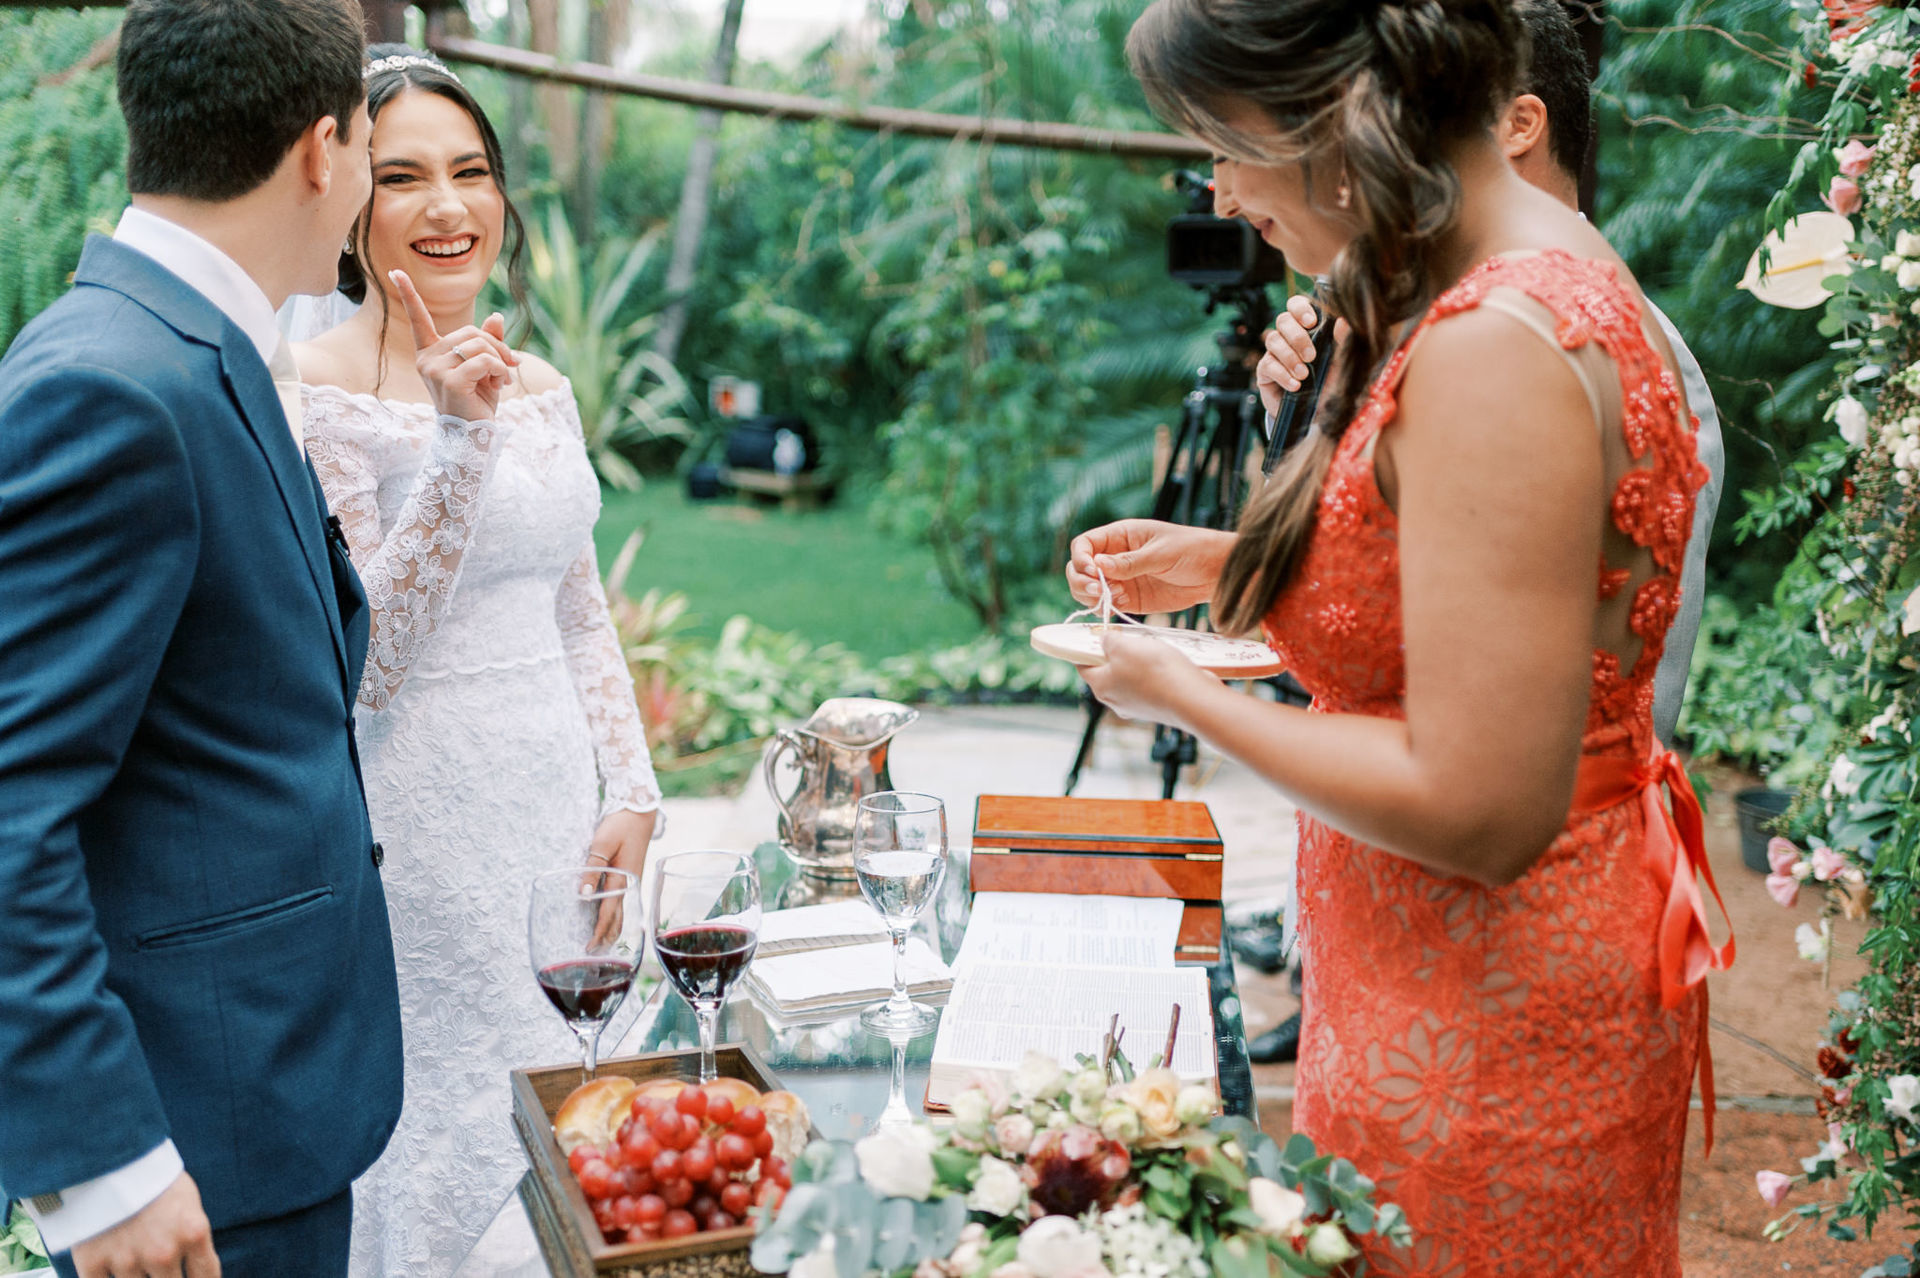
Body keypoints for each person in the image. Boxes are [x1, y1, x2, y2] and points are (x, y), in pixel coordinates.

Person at [1073, 0, 1727, 1270]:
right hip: (1443, 981)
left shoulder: (1495, 341)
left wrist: (1185, 696)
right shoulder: (1534, 278)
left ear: (1343, 106)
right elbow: (1489, 603)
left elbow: (1482, 802)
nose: (1218, 188)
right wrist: (1227, 571)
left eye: (1228, 139)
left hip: (1488, 1015)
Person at [0, 2, 492, 1274]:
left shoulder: (200, 345)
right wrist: (104, 1167)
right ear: (324, 152)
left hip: (265, 1108)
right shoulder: (109, 385)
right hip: (187, 1153)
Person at [1245, 0, 1728, 1068]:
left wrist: (1182, 693)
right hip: (1406, 881)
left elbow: (1613, 695)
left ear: (1513, 122)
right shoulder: (1454, 316)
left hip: (1520, 910)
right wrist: (1316, 400)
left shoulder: (1533, 344)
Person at [291, 45, 665, 1275]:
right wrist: (456, 443)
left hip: (558, 810)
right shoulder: (312, 390)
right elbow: (368, 662)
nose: (449, 208)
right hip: (424, 826)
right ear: (344, 195)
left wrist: (634, 790)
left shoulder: (544, 383)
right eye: (403, 177)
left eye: (473, 172)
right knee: (458, 1120)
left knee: (584, 1114)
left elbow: (578, 611)